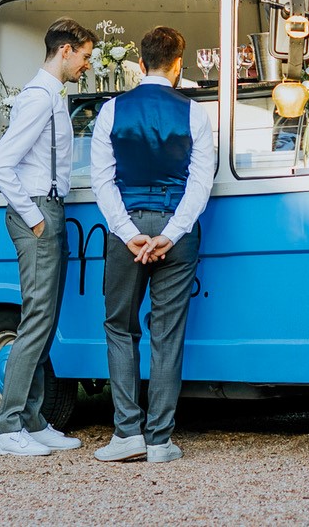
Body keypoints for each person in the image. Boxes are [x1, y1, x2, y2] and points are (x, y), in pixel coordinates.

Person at [90, 26, 215, 463]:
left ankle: (127, 433)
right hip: (175, 234)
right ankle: (160, 440)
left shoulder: (110, 111)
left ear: (140, 64)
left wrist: (130, 234)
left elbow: (101, 183)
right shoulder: (195, 114)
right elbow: (201, 186)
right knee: (167, 333)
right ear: (178, 65)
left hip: (128, 231)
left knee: (120, 327)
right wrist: (169, 235)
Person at [0, 18, 97, 457]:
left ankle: (32, 419)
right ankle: (8, 427)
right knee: (35, 321)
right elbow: (0, 164)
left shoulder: (51, 95)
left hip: (49, 208)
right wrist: (34, 219)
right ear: (65, 50)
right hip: (37, 212)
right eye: (85, 56)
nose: (86, 65)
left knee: (46, 320)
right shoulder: (38, 98)